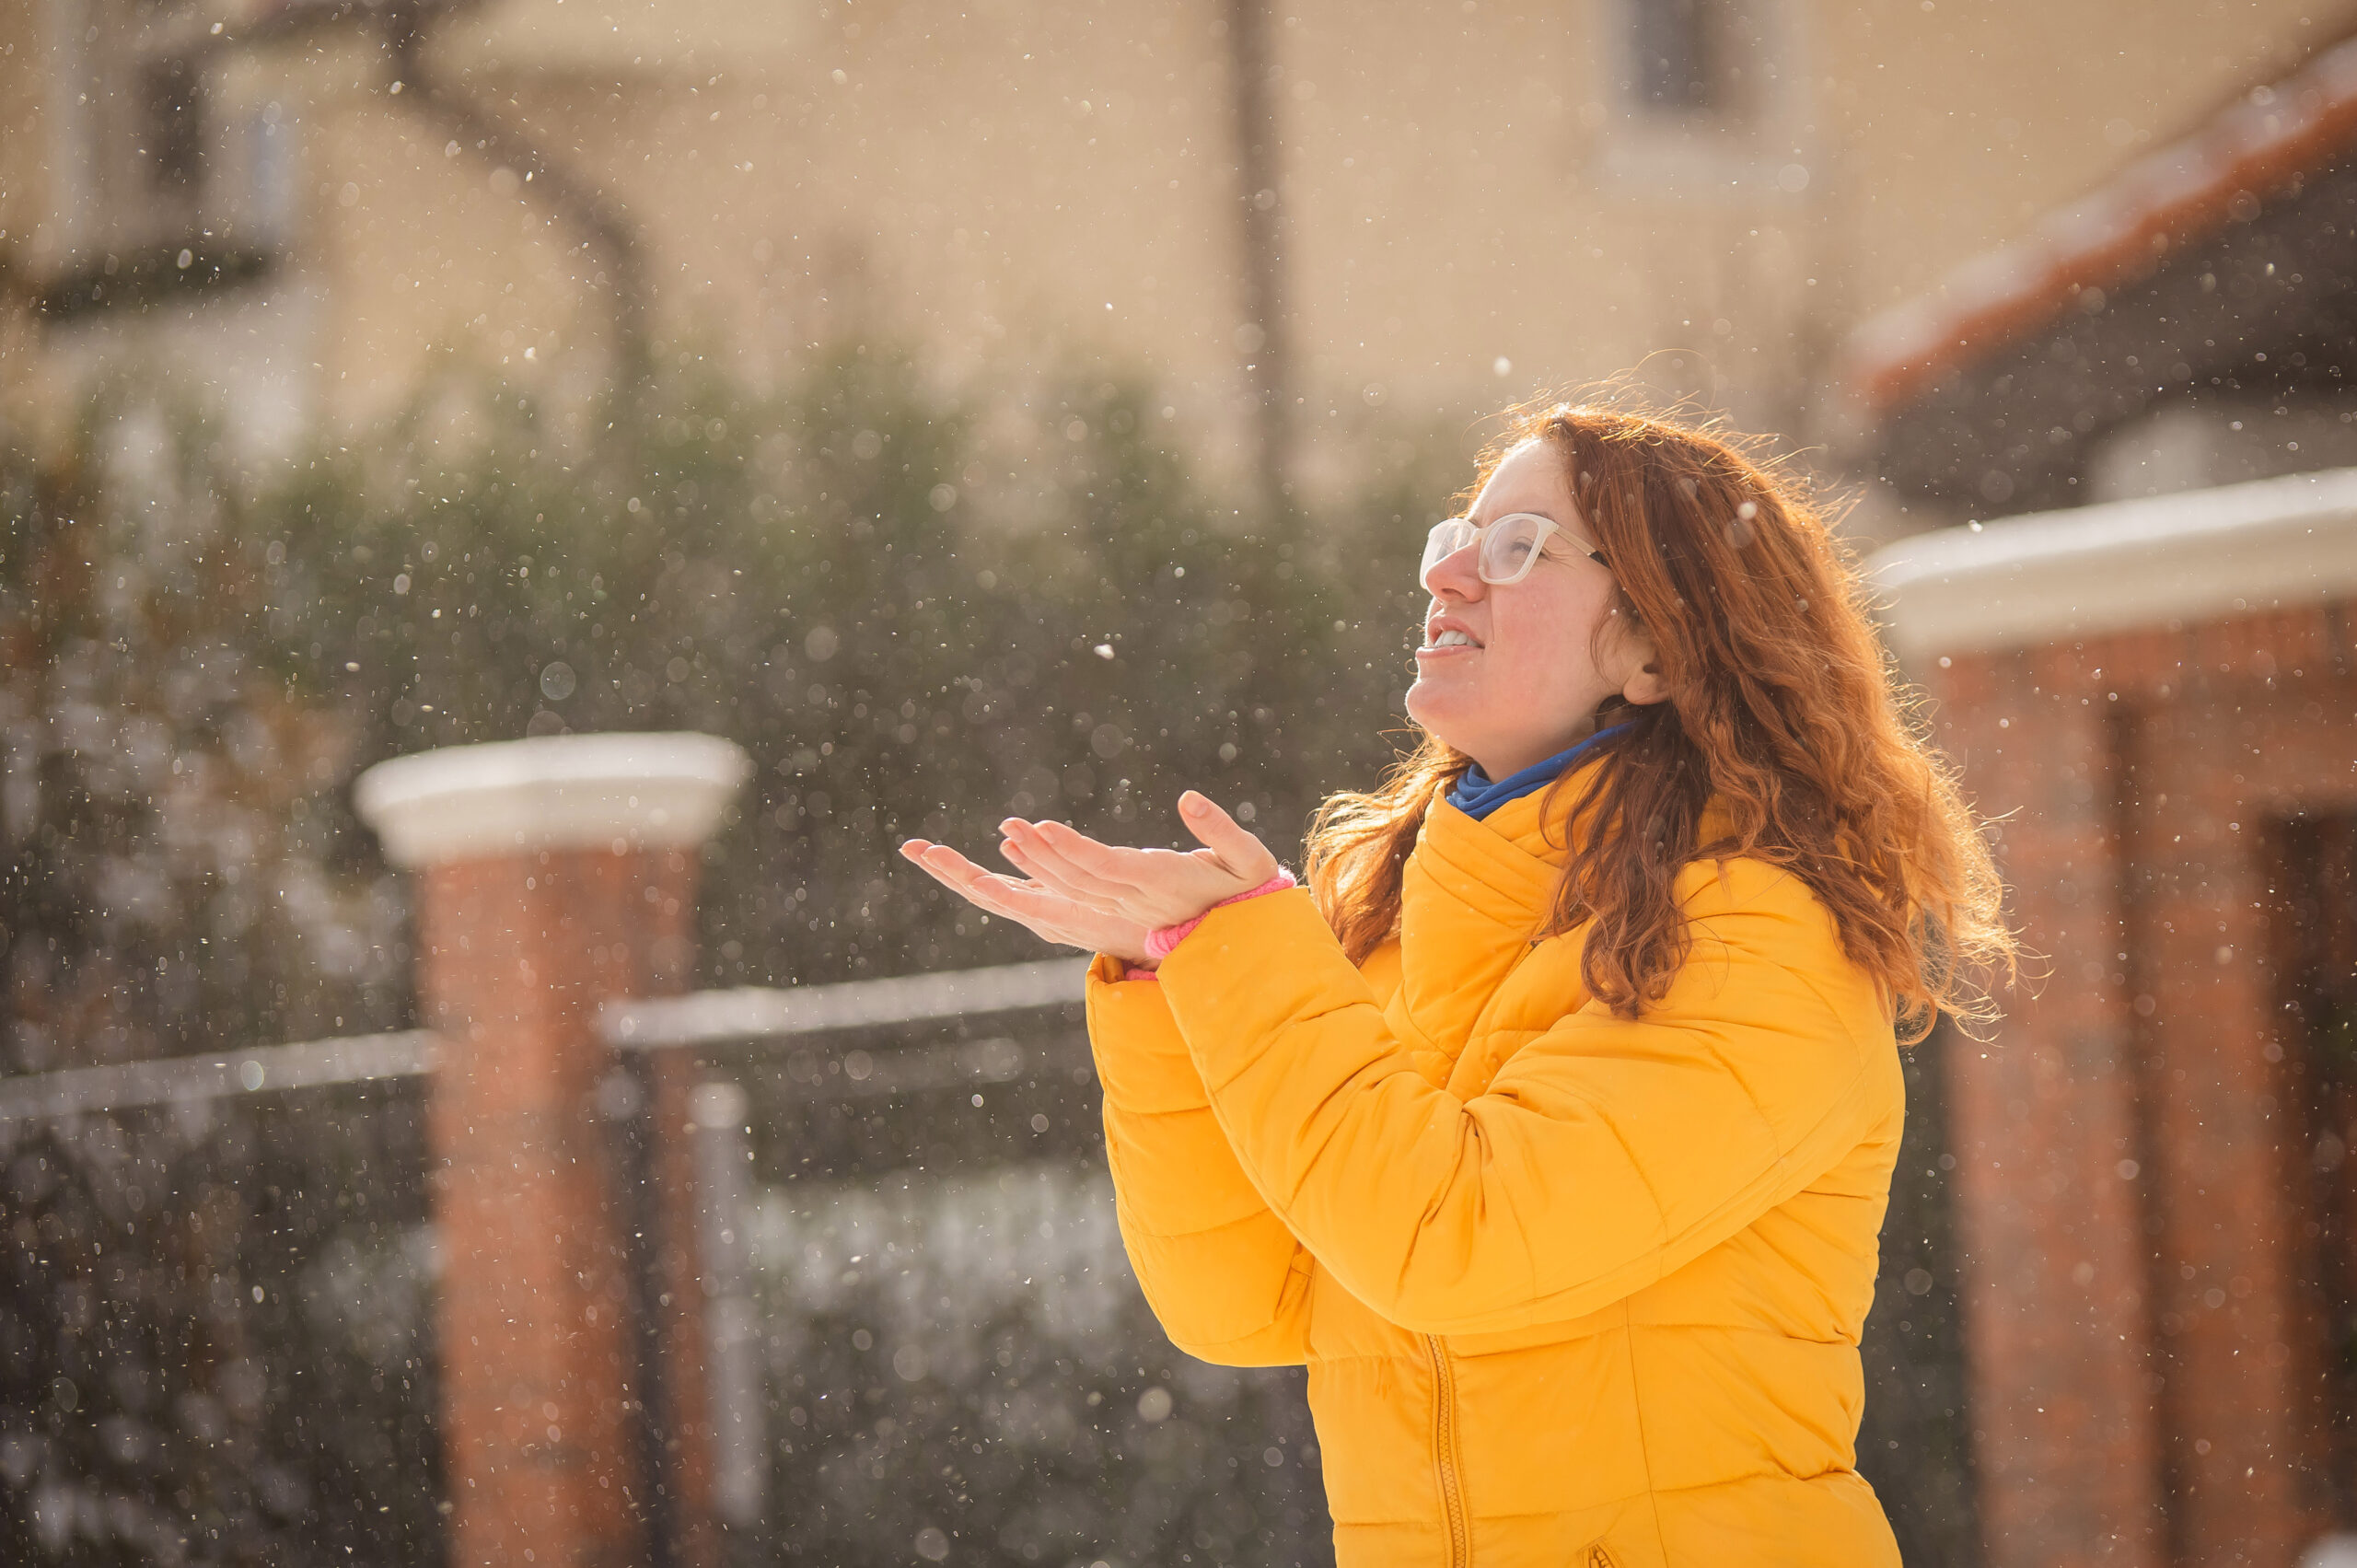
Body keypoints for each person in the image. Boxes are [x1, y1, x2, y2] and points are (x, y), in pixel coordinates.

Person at [899, 399, 2012, 1567]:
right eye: (1453, 541)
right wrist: (1177, 970)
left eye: (1518, 547)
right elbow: (1245, 1301)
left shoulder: (1756, 936)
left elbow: (1453, 1242)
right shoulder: (1382, 924)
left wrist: (1238, 946)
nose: (1452, 579)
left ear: (1656, 647)